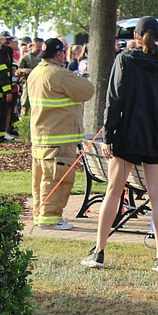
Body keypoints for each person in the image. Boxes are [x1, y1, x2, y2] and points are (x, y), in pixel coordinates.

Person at [82, 17, 158, 270]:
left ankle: (99, 251)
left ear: (136, 36)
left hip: (128, 133)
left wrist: (109, 136)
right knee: (156, 195)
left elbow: (113, 99)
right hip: (156, 134)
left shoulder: (125, 60)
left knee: (113, 191)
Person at [26, 38, 95, 229]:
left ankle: (41, 214)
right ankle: (50, 218)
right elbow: (88, 91)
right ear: (58, 54)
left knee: (41, 179)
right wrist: (80, 77)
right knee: (57, 179)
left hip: (40, 137)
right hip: (59, 138)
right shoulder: (60, 75)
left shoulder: (35, 73)